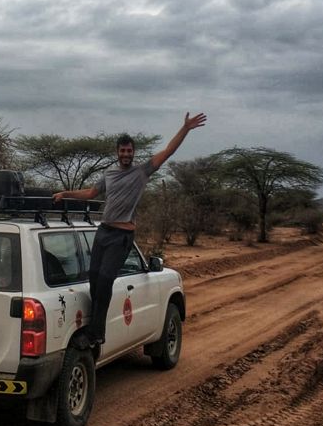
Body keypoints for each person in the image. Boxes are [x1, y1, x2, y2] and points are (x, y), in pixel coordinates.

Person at [53, 112, 207, 347]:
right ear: (117, 152)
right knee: (94, 279)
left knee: (105, 279)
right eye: (122, 151)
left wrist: (185, 128)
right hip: (103, 231)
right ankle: (95, 327)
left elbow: (168, 152)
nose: (126, 154)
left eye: (129, 151)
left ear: (133, 152)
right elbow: (91, 193)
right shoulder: (110, 174)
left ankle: (96, 333)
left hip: (122, 236)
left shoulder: (142, 172)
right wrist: (66, 194)